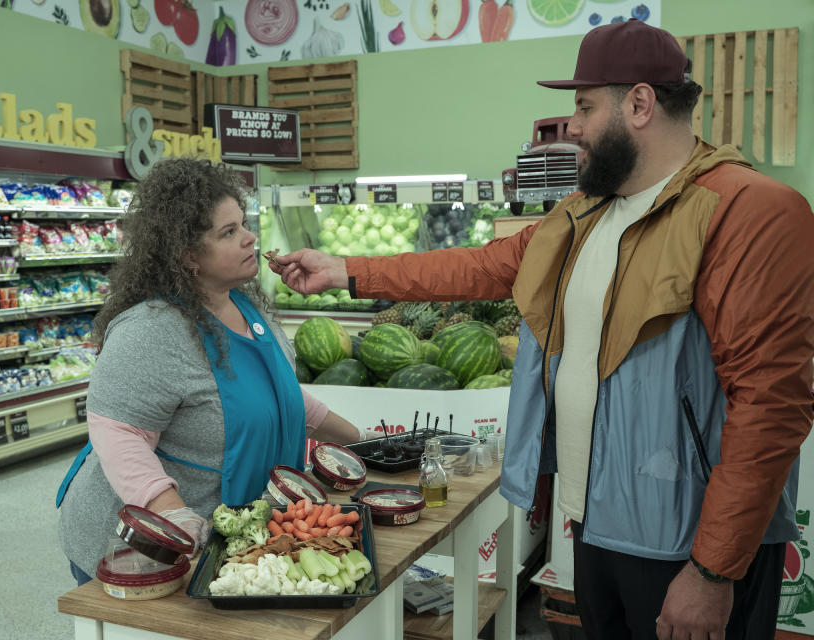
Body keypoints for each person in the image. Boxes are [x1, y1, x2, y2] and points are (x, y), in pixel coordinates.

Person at [271, 18, 814, 640]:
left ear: (639, 103)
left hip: (686, 546)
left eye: (584, 106)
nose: (573, 126)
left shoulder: (748, 211)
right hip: (596, 525)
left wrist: (713, 570)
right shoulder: (583, 213)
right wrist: (345, 269)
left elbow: (772, 406)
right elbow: (478, 265)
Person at [57, 158, 361, 586]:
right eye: (229, 232)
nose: (250, 238)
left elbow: (283, 393)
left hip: (223, 543)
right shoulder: (150, 331)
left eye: (243, 224)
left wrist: (363, 444)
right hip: (142, 550)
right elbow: (117, 432)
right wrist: (171, 510)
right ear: (188, 255)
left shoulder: (244, 305)